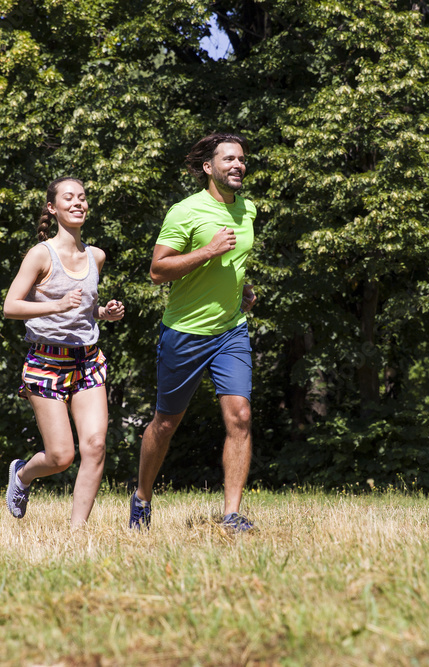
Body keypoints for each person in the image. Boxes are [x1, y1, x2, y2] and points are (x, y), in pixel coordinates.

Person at [130, 132, 258, 532]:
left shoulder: (248, 209)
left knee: (240, 416)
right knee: (166, 424)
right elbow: (157, 271)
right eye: (229, 160)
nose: (238, 165)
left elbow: (234, 260)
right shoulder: (185, 211)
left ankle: (231, 514)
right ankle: (142, 497)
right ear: (209, 168)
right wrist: (208, 252)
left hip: (230, 330)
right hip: (184, 332)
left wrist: (242, 288)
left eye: (241, 159)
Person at [3, 177, 125, 529]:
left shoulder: (96, 256)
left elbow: (86, 309)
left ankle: (77, 533)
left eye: (83, 198)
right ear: (52, 208)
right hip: (46, 363)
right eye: (68, 198)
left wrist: (105, 313)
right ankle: (23, 475)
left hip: (87, 361)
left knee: (96, 446)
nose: (78, 203)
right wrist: (55, 306)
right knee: (61, 456)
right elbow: (10, 306)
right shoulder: (41, 254)